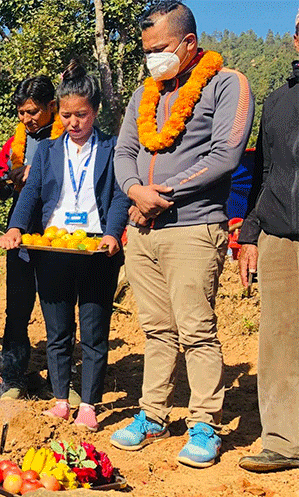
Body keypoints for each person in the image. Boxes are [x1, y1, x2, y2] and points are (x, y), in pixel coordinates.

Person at [109, 0, 253, 468]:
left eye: (162, 47)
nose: (153, 57)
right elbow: (124, 151)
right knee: (155, 330)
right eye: (147, 49)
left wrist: (162, 192)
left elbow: (226, 154)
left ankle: (205, 422)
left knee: (196, 330)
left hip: (193, 227)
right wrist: (134, 189)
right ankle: (152, 414)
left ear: (189, 43)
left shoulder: (226, 84)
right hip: (143, 230)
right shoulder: (143, 93)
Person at [0, 61, 130, 431]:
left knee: (93, 330)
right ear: (59, 110)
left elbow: (120, 196)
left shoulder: (113, 148)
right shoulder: (47, 151)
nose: (75, 123)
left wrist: (112, 233)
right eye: (68, 115)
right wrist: (16, 227)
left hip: (95, 249)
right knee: (57, 331)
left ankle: (88, 402)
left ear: (96, 111)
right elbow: (32, 196)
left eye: (83, 115)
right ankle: (60, 399)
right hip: (53, 247)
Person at [235, 12, 299, 473]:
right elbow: (264, 173)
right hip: (282, 235)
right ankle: (283, 438)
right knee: (280, 340)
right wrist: (251, 233)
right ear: (296, 39)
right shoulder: (278, 102)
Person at [0, 76, 66, 400]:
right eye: (22, 113)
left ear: (52, 106)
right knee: (17, 309)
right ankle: (13, 377)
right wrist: (9, 180)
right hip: (19, 236)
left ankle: (61, 380)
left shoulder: (69, 137)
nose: (26, 119)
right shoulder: (13, 143)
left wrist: (36, 171)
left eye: (33, 111)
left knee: (58, 310)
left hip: (58, 237)